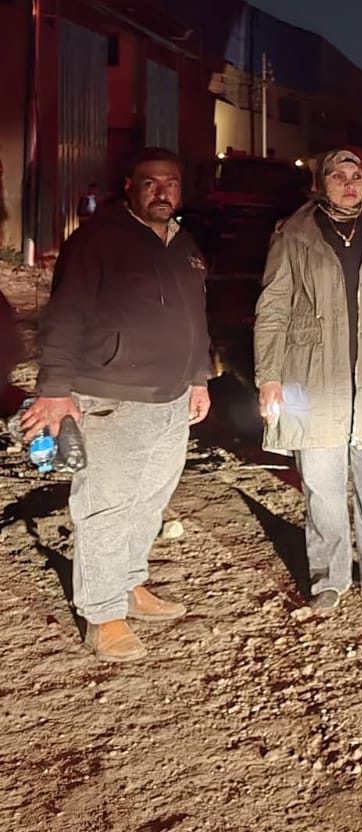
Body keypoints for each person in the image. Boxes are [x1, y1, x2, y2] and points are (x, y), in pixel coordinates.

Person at [22, 148, 213, 663]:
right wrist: (55, 389)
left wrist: (199, 379)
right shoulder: (97, 240)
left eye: (171, 183)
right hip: (111, 397)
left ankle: (128, 584)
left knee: (149, 500)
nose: (162, 192)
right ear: (130, 186)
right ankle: (102, 614)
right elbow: (65, 317)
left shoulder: (185, 245)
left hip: (172, 399)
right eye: (151, 183)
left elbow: (196, 318)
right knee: (106, 506)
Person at [254, 150, 362, 611]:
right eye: (338, 176)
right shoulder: (293, 234)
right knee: (321, 482)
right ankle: (328, 575)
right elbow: (272, 308)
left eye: (356, 176)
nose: (350, 184)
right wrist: (269, 377)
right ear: (320, 183)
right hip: (310, 376)